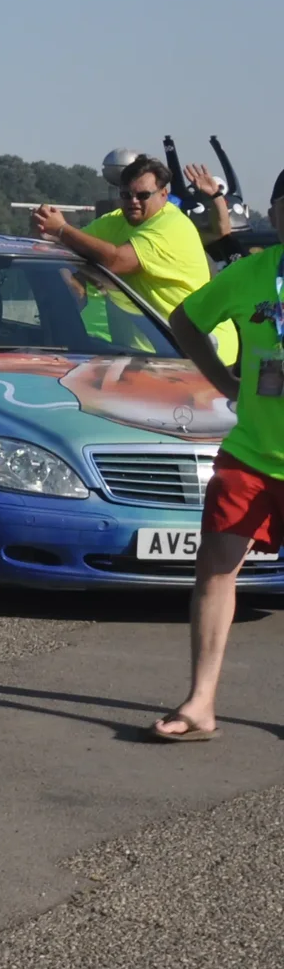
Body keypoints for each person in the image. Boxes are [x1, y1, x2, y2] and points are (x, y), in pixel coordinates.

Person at [150, 170, 284, 742]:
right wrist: (221, 379)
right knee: (216, 567)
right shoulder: (251, 272)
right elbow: (185, 320)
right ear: (277, 212)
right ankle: (200, 703)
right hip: (251, 453)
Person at [32, 151, 235, 366]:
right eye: (126, 195)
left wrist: (62, 229)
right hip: (146, 351)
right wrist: (45, 228)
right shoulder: (116, 220)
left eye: (143, 195)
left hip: (201, 351)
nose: (133, 202)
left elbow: (116, 261)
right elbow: (71, 246)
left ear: (164, 194)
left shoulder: (170, 226)